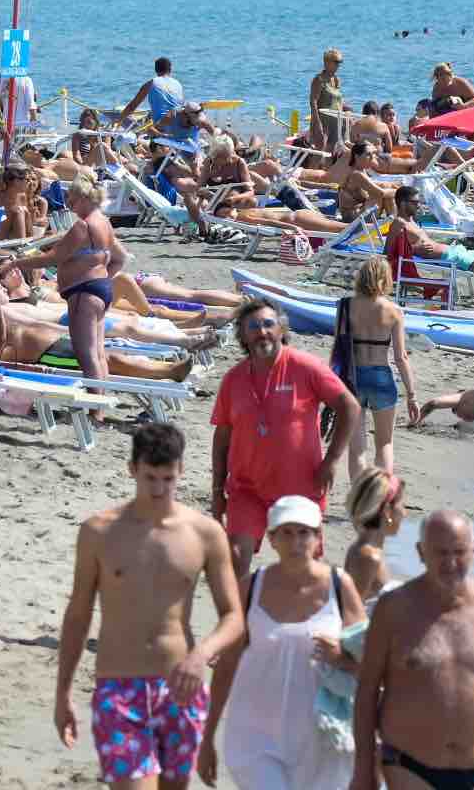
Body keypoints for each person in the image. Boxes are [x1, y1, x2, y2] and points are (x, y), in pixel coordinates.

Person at [55, 422, 245, 790]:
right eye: (150, 478)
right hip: (119, 689)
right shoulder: (99, 533)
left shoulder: (204, 533)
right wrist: (63, 693)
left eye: (168, 480)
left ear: (181, 473)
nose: (159, 490)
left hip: (181, 689)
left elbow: (234, 616)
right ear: (132, 470)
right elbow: (78, 615)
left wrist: (201, 654)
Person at [353, 510, 474, 790]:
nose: (451, 563)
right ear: (420, 552)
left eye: (459, 552)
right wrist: (364, 768)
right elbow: (366, 691)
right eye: (440, 553)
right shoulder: (393, 609)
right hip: (409, 765)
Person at [198, 495, 364, 789]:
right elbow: (227, 666)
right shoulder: (251, 588)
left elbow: (371, 665)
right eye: (286, 532)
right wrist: (207, 736)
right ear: (271, 538)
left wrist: (340, 657)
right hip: (256, 736)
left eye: (304, 532)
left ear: (317, 538)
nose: (296, 542)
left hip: (322, 737)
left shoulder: (340, 588)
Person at [210, 297, 360, 587]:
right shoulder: (233, 379)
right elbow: (222, 436)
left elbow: (349, 406)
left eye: (268, 324)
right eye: (253, 326)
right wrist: (217, 490)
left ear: (282, 329)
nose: (261, 331)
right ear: (242, 334)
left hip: (301, 488)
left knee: (305, 571)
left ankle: (305, 627)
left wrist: (331, 461)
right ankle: (240, 627)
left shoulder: (305, 366)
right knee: (236, 557)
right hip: (247, 489)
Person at [0, 172, 126, 392]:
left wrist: (14, 263)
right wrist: (101, 277)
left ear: (84, 198)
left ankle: (96, 408)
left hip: (84, 294)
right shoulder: (104, 223)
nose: (69, 205)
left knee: (86, 354)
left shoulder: (83, 227)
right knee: (97, 352)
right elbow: (120, 259)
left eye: (72, 200)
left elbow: (53, 257)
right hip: (99, 290)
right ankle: (99, 403)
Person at [0, 281, 197, 381]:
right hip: (49, 355)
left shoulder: (0, 319)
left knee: (110, 357)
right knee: (109, 360)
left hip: (60, 341)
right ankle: (168, 372)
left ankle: (163, 369)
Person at [345, 258, 418, 476]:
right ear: (385, 279)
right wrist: (411, 395)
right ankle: (380, 499)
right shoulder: (394, 311)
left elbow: (340, 352)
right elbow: (400, 357)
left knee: (356, 449)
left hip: (353, 378)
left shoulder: (346, 307)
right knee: (385, 444)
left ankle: (359, 501)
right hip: (381, 377)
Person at [390, 186, 474, 281]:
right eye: (415, 202)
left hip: (453, 251)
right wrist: (414, 249)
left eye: (419, 202)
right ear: (403, 203)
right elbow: (389, 251)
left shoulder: (411, 220)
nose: (418, 206)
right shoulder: (399, 223)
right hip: (448, 258)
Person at [344, 466, 406, 601]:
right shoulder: (369, 557)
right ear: (387, 511)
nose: (404, 513)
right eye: (401, 505)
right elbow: (351, 613)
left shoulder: (363, 549)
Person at [117, 55, 186, 132]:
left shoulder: (151, 83)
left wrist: (118, 121)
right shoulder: (178, 84)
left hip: (161, 126)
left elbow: (132, 106)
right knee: (149, 116)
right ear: (170, 69)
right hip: (180, 123)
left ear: (156, 70)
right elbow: (180, 105)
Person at [307, 49, 346, 154]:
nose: (338, 66)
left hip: (336, 121)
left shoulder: (336, 79)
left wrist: (347, 112)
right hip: (323, 121)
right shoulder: (319, 80)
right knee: (319, 153)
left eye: (340, 63)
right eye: (336, 62)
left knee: (331, 154)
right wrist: (317, 123)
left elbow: (338, 100)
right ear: (327, 62)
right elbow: (313, 101)